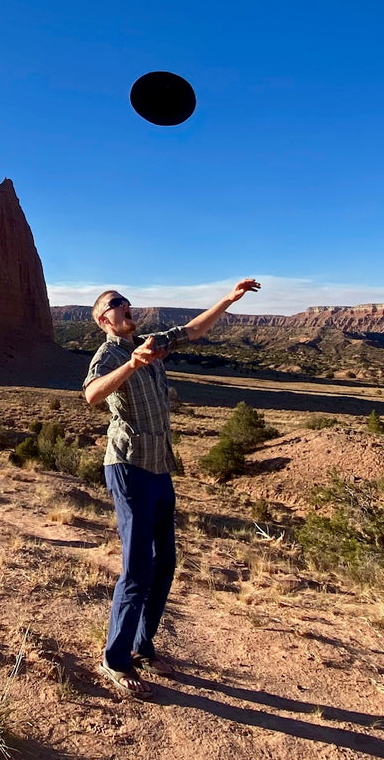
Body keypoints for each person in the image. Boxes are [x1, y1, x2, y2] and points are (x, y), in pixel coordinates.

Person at [83, 279, 261, 694]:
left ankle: (143, 646)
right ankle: (115, 659)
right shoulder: (108, 354)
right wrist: (131, 366)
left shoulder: (150, 341)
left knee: (165, 563)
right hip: (128, 468)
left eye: (127, 300)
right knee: (137, 568)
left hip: (159, 466)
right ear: (102, 319)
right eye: (115, 303)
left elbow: (193, 330)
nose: (126, 305)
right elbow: (91, 395)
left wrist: (228, 300)